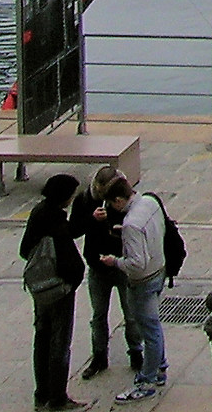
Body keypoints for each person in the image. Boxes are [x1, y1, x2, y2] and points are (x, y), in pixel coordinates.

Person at [19, 174, 87, 411]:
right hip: (59, 290)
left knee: (42, 338)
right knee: (59, 343)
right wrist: (73, 281)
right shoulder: (56, 221)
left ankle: (42, 394)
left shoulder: (39, 212)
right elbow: (69, 260)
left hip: (40, 288)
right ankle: (58, 398)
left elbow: (24, 249)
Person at [108, 179, 172, 401]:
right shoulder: (150, 202)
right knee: (154, 324)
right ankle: (160, 367)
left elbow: (137, 263)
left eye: (112, 203)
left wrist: (115, 262)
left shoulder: (131, 224)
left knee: (149, 328)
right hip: (159, 270)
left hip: (143, 280)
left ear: (119, 200)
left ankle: (147, 379)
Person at [74, 163, 138, 383]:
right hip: (97, 265)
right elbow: (73, 230)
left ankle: (136, 354)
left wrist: (110, 222)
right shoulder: (84, 199)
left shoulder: (124, 197)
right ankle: (99, 357)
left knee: (130, 314)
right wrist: (91, 219)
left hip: (120, 263)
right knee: (98, 315)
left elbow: (131, 226)